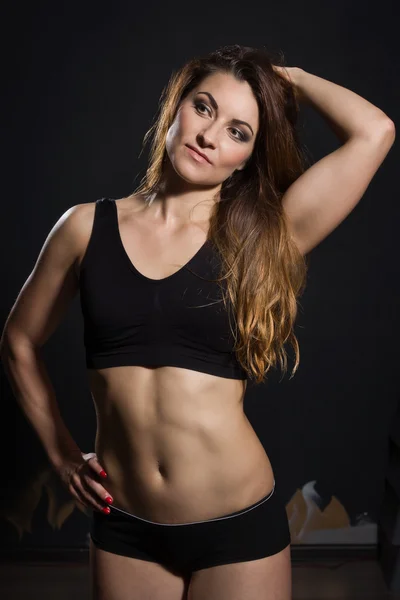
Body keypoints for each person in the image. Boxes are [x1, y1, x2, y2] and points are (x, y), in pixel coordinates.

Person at [0, 44, 395, 600]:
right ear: (175, 108)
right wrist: (63, 454)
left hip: (237, 527)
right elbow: (19, 340)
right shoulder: (84, 228)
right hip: (126, 525)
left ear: (248, 157)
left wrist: (286, 78)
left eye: (239, 131)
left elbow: (375, 131)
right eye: (204, 107)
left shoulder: (264, 238)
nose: (210, 136)